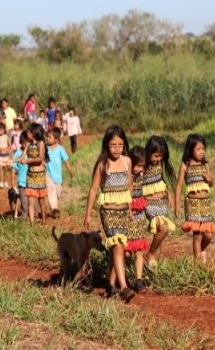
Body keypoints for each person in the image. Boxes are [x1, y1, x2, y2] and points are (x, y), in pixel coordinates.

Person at [84, 125, 136, 303]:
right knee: (118, 246)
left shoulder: (127, 162)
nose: (116, 149)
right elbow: (93, 190)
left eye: (120, 145)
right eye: (113, 145)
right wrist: (88, 214)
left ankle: (111, 284)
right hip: (108, 210)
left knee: (118, 247)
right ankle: (124, 288)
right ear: (106, 145)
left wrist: (130, 206)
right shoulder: (102, 164)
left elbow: (130, 185)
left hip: (123, 210)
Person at [174, 134, 215, 263]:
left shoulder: (205, 165)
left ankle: (200, 251)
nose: (201, 152)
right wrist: (177, 204)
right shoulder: (185, 165)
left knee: (209, 234)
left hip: (205, 204)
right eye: (198, 149)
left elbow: (211, 183)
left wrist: (210, 180)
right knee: (197, 235)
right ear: (190, 149)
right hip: (192, 204)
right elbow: (179, 185)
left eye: (203, 148)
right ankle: (198, 264)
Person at [142, 135, 176, 271]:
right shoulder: (142, 165)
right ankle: (149, 255)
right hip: (149, 204)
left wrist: (169, 194)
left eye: (161, 156)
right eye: (156, 156)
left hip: (161, 204)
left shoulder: (159, 164)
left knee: (161, 230)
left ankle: (150, 257)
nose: (159, 159)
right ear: (149, 152)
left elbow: (159, 181)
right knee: (163, 228)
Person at [125, 145, 149, 293]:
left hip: (139, 216)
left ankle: (138, 280)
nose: (140, 169)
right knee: (126, 250)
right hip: (128, 216)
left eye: (142, 166)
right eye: (138, 166)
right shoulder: (127, 176)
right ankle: (120, 276)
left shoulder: (141, 176)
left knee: (139, 249)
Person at [20, 122, 49, 225]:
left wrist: (27, 161)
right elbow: (21, 158)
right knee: (30, 202)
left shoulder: (40, 143)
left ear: (33, 133)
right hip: (30, 176)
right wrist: (10, 161)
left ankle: (44, 222)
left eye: (29, 130)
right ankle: (32, 224)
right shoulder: (28, 144)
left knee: (41, 201)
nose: (27, 132)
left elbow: (40, 158)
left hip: (40, 175)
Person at [45, 127, 74, 219]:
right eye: (47, 137)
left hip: (58, 177)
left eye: (49, 137)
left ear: (56, 139)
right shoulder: (45, 148)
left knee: (57, 193)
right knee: (50, 191)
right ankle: (55, 209)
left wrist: (70, 171)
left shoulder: (60, 149)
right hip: (48, 174)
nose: (47, 139)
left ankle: (53, 208)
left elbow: (66, 161)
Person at [12, 130, 30, 218]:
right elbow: (13, 167)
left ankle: (34, 215)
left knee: (32, 201)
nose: (25, 144)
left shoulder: (31, 152)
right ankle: (23, 216)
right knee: (24, 201)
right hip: (22, 182)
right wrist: (12, 180)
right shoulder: (18, 153)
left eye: (27, 142)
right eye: (23, 142)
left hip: (31, 181)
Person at [0, 122, 12, 188]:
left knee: (5, 169)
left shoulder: (6, 137)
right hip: (0, 156)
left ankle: (5, 181)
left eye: (2, 130)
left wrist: (10, 153)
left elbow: (10, 146)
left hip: (6, 156)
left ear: (4, 130)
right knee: (0, 168)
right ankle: (1, 181)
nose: (1, 131)